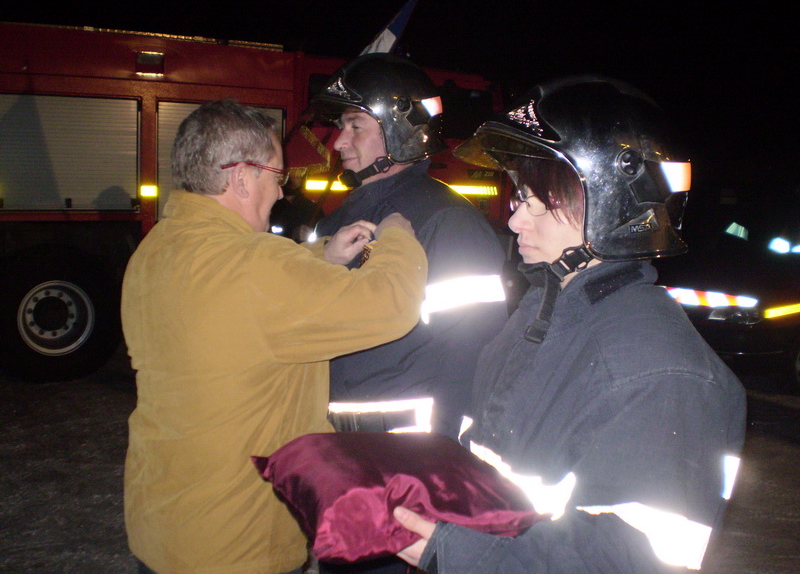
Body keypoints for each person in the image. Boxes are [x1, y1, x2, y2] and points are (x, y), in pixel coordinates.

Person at [392, 76, 747, 573]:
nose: (516, 222)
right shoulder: (540, 316)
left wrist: (461, 552)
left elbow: (631, 562)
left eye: (539, 201)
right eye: (519, 198)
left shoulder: (660, 375)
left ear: (614, 206)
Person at [120, 99, 428, 574]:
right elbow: (391, 305)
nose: (281, 193)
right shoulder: (256, 268)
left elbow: (247, 297)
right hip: (233, 544)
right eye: (277, 176)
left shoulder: (157, 249)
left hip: (163, 521)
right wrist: (397, 238)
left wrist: (323, 254)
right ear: (242, 177)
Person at [307, 53, 509, 441]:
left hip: (406, 451)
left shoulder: (447, 221)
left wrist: (443, 457)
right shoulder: (334, 221)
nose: (338, 141)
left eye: (354, 126)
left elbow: (474, 349)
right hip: (332, 439)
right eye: (340, 126)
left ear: (399, 130)